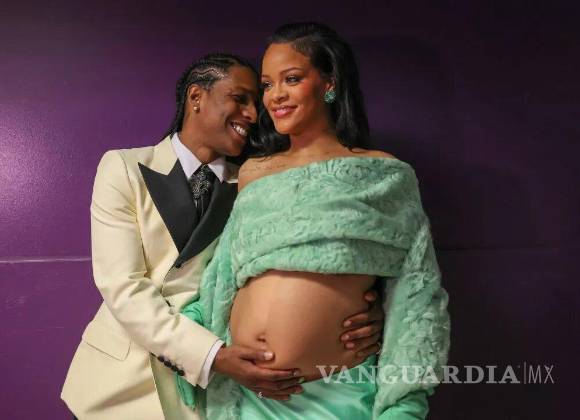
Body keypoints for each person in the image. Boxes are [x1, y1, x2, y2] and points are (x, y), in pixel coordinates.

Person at [61, 53, 383, 420]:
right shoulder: (124, 167)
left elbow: (305, 261)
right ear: (196, 97)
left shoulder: (257, 182)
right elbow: (123, 286)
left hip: (209, 396)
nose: (252, 114)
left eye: (255, 104)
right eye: (240, 98)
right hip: (119, 386)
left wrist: (365, 310)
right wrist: (212, 355)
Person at [178, 23, 450, 419]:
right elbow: (224, 274)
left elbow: (416, 292)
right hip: (248, 394)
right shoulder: (253, 172)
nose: (275, 96)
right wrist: (197, 337)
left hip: (336, 395)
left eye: (291, 79)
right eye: (268, 84)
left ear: (329, 83)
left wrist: (404, 399)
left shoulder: (384, 176)